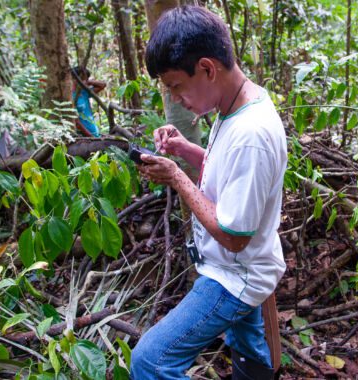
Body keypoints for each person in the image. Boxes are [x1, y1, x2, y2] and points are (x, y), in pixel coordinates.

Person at [130, 6, 287, 379]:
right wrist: (187, 151)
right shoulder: (235, 106)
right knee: (251, 357)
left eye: (175, 86)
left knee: (150, 361)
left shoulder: (252, 134)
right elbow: (228, 171)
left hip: (235, 275)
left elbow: (234, 237)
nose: (175, 98)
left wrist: (176, 178)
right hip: (237, 267)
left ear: (207, 68)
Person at [71, 66, 106, 137]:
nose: (85, 81)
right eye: (83, 79)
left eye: (86, 79)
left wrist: (88, 82)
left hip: (94, 133)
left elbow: (102, 85)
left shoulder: (84, 92)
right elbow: (76, 121)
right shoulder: (70, 96)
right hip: (84, 137)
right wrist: (91, 136)